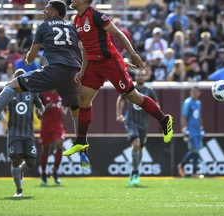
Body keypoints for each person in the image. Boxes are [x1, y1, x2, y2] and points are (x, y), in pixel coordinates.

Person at [0, 0, 89, 166]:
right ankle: (83, 152)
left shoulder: (44, 26)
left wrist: (28, 58)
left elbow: (31, 57)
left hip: (55, 70)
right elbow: (85, 47)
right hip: (74, 72)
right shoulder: (72, 26)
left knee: (11, 85)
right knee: (76, 111)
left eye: (47, 8)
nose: (43, 11)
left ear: (55, 11)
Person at [63, 0, 173, 158]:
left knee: (133, 97)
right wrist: (83, 69)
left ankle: (164, 120)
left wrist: (133, 54)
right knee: (83, 100)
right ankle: (81, 141)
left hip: (109, 62)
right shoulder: (76, 19)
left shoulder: (96, 15)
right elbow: (86, 47)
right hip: (94, 65)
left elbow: (118, 34)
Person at [116, 69, 159, 186]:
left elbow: (156, 105)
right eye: (138, 75)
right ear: (135, 77)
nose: (140, 77)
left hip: (143, 124)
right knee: (136, 144)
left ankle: (135, 170)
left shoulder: (149, 92)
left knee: (140, 149)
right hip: (130, 122)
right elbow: (120, 98)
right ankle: (135, 172)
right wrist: (119, 114)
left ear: (145, 77)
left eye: (142, 75)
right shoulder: (129, 88)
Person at [6, 69, 44, 197]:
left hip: (28, 133)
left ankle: (20, 172)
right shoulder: (9, 91)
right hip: (14, 132)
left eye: (22, 76)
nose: (20, 79)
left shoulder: (32, 91)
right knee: (15, 159)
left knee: (31, 162)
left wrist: (40, 112)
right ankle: (18, 190)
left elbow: (40, 106)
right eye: (18, 77)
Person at [38, 90, 67, 185]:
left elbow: (65, 109)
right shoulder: (42, 94)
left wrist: (64, 111)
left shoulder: (61, 93)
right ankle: (43, 173)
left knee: (59, 144)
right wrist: (45, 108)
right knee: (46, 149)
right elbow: (38, 112)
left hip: (57, 125)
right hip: (46, 125)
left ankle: (55, 171)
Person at [177, 86, 204, 178]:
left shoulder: (199, 103)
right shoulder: (187, 102)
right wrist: (185, 130)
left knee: (196, 151)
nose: (194, 93)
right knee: (195, 150)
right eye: (193, 91)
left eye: (196, 92)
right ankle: (182, 165)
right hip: (191, 130)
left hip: (197, 131)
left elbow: (199, 116)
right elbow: (183, 117)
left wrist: (201, 128)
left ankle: (194, 172)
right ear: (190, 92)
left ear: (199, 93)